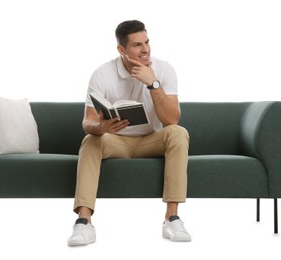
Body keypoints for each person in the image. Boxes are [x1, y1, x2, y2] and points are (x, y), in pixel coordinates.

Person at [67, 20, 191, 246]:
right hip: (116, 142)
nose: (145, 50)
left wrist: (152, 83)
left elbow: (171, 119)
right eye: (137, 45)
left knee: (178, 133)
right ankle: (83, 223)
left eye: (147, 42)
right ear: (121, 50)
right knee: (90, 140)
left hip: (151, 140)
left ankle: (172, 218)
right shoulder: (102, 73)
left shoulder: (164, 69)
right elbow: (88, 121)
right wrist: (100, 128)